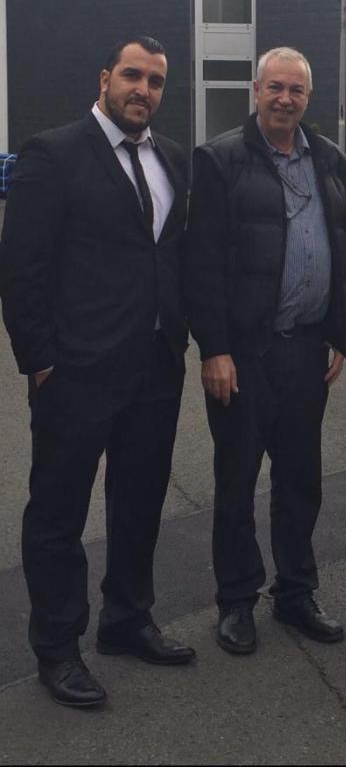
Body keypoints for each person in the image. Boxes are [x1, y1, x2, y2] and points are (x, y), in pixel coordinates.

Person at [0, 36, 195, 707]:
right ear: (105, 77)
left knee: (139, 502)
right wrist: (41, 361)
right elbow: (20, 267)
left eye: (156, 81)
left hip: (155, 367)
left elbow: (170, 255)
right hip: (76, 371)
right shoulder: (53, 154)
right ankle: (58, 648)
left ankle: (127, 619)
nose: (144, 89)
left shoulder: (172, 159)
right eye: (133, 75)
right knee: (59, 513)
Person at [185, 47, 346, 654]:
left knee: (300, 479)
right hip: (244, 355)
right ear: (256, 90)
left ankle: (296, 592)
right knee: (236, 480)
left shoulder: (331, 160)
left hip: (305, 350)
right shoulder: (220, 160)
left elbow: (343, 252)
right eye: (275, 87)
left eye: (296, 90)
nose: (286, 99)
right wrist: (214, 349)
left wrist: (338, 334)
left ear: (308, 97)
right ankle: (236, 600)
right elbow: (200, 264)